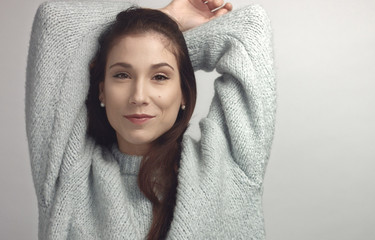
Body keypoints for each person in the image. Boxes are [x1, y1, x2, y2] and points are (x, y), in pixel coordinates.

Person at [26, 0, 275, 239]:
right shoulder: (66, 173)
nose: (139, 96)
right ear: (102, 90)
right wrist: (169, 18)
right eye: (122, 75)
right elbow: (56, 22)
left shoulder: (228, 163)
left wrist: (166, 38)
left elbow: (250, 26)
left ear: (184, 93)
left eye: (160, 77)